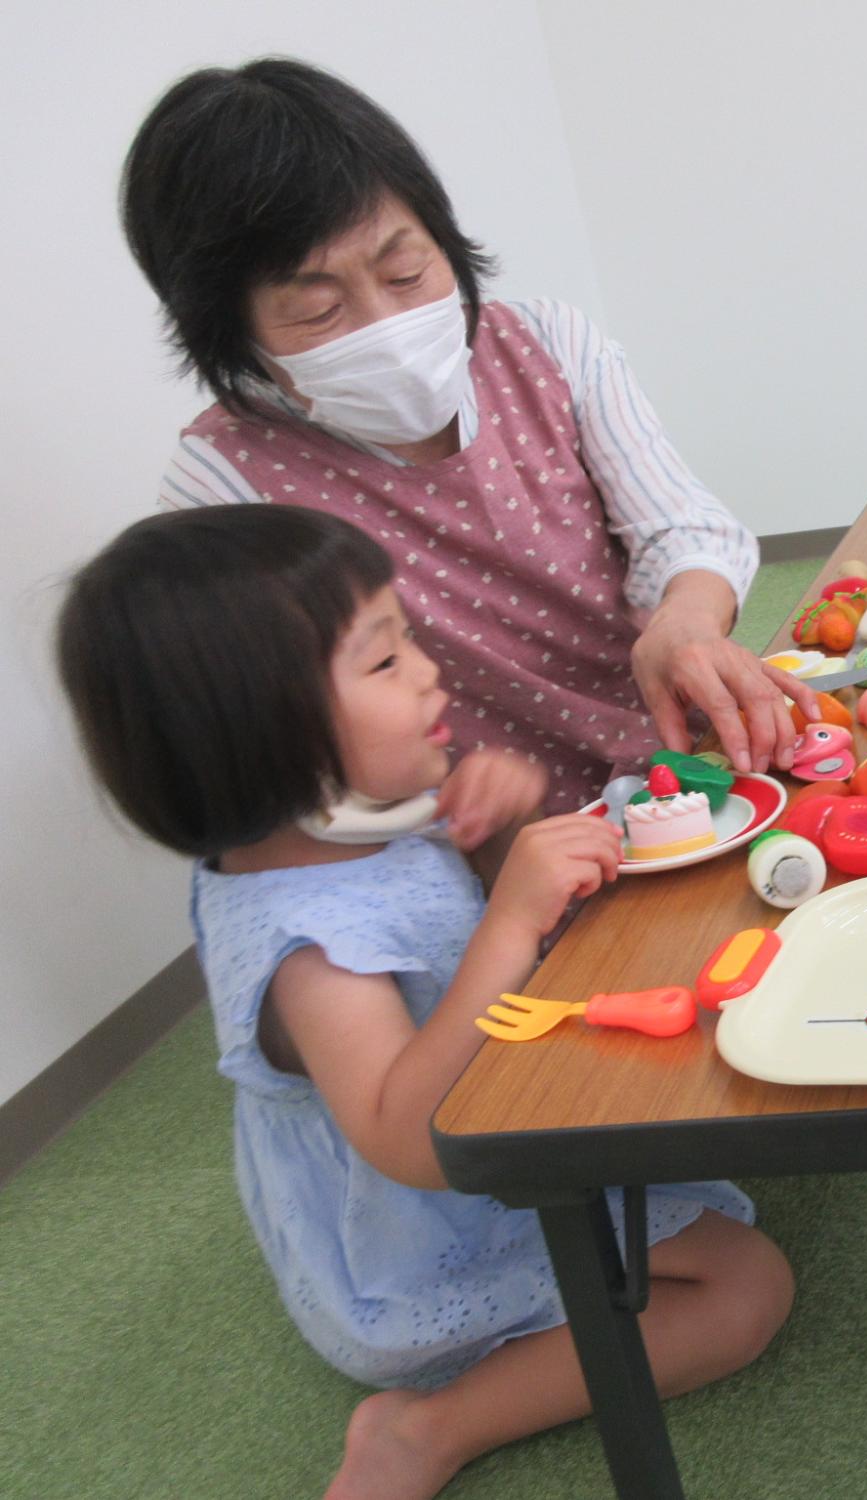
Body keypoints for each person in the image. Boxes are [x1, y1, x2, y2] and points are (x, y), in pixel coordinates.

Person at [56, 506, 794, 1500]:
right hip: (421, 1238)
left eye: (406, 635)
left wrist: (493, 835)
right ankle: (428, 1428)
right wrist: (509, 919)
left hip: (489, 1127)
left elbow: (455, 932)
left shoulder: (349, 824)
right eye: (382, 660)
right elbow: (409, 1143)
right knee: (747, 1287)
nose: (428, 670)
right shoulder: (307, 946)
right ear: (264, 730)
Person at [119, 57, 818, 815]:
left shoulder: (546, 344)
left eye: (407, 271)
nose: (387, 329)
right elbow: (276, 746)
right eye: (321, 313)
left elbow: (684, 526)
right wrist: (448, 820)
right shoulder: (227, 485)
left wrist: (685, 619)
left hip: (692, 764)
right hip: (495, 854)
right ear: (229, 334)